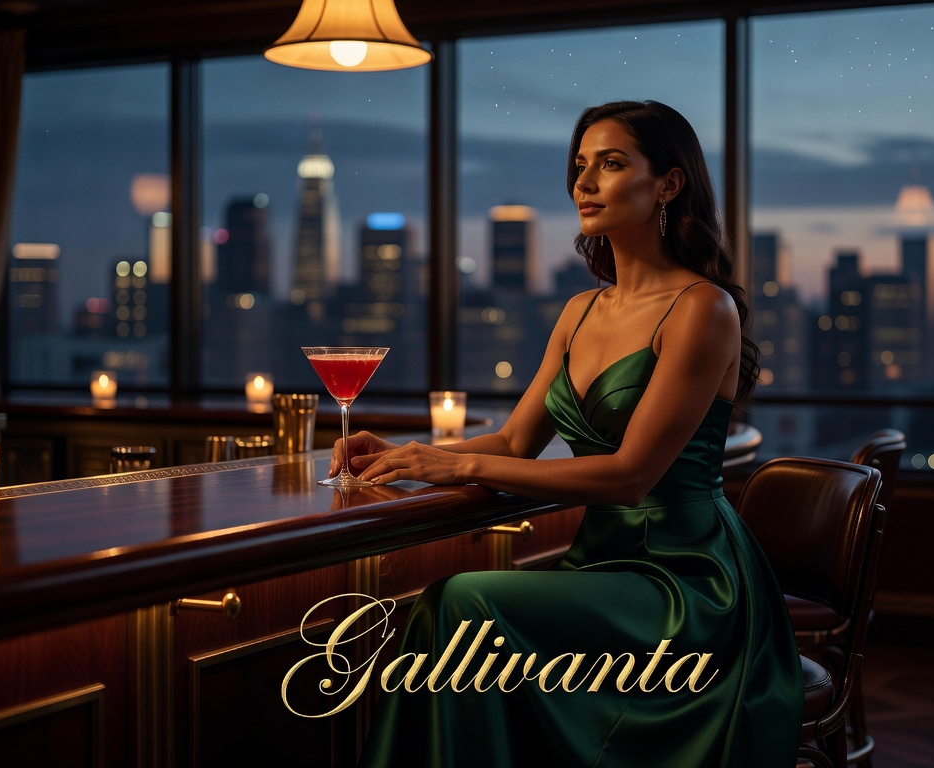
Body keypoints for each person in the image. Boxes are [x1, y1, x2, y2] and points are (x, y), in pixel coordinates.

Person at [339, 100, 801, 767]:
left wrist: (459, 470)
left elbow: (629, 476)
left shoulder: (703, 308)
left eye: (610, 164)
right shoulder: (580, 310)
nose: (583, 183)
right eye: (580, 166)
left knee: (463, 602)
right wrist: (414, 455)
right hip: (600, 567)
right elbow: (513, 441)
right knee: (460, 612)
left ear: (668, 184)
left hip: (686, 585)